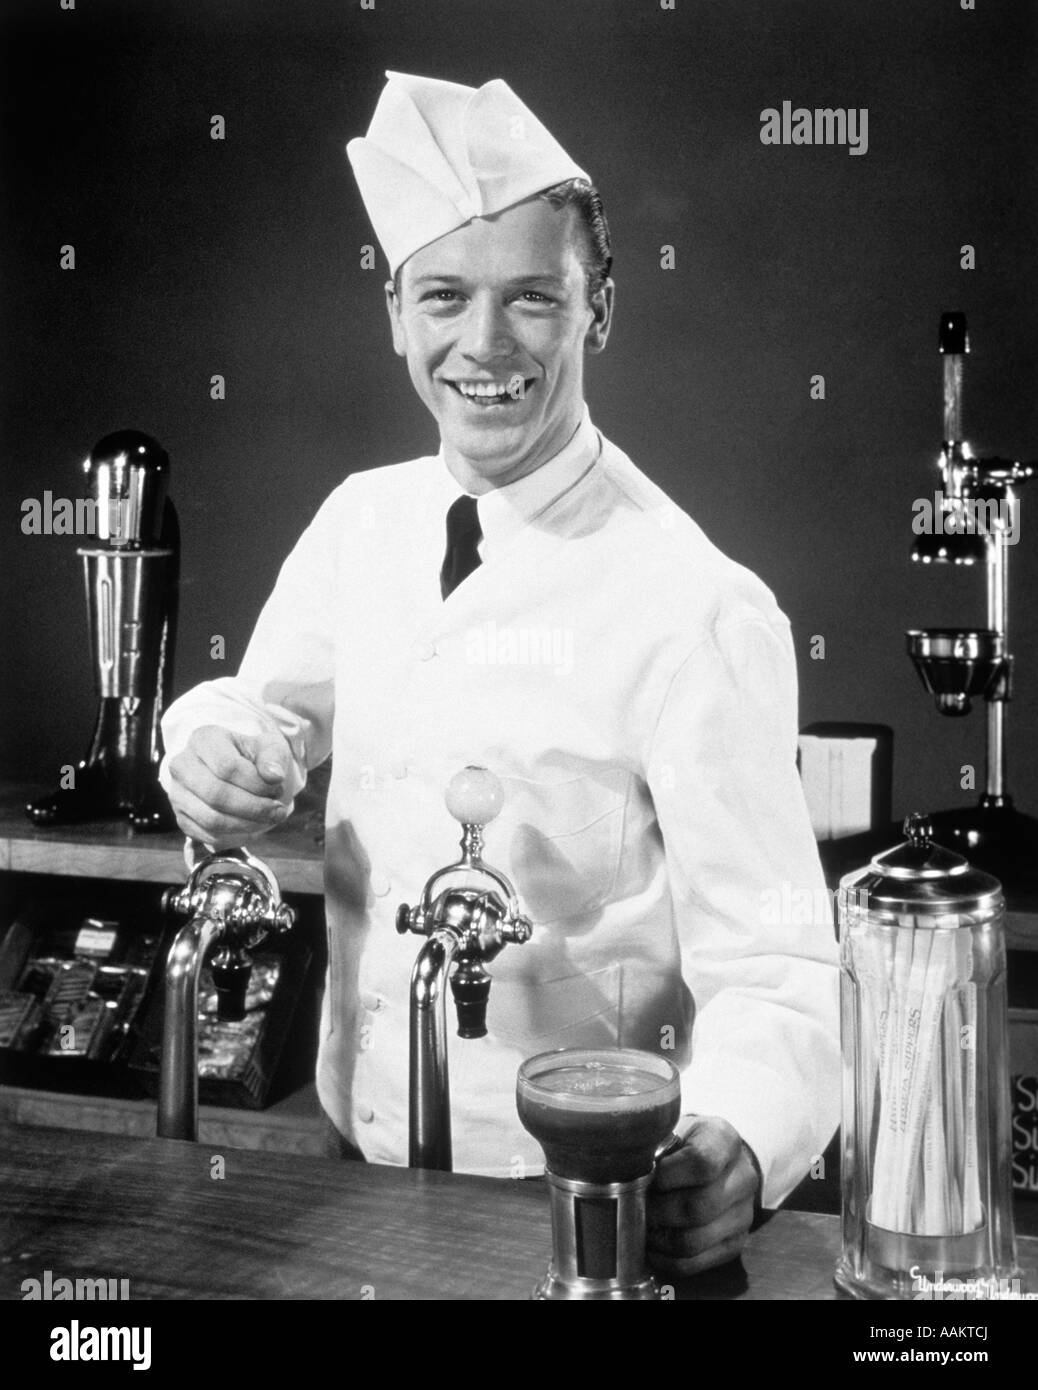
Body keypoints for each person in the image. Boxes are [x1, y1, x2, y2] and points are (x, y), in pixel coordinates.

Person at [159, 70, 840, 1277]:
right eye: (445, 297)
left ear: (601, 307)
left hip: (576, 1202)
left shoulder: (696, 602)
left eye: (533, 298)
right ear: (395, 313)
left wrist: (738, 1136)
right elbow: (261, 713)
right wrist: (208, 743)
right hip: (349, 1161)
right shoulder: (360, 522)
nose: (484, 345)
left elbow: (779, 962)